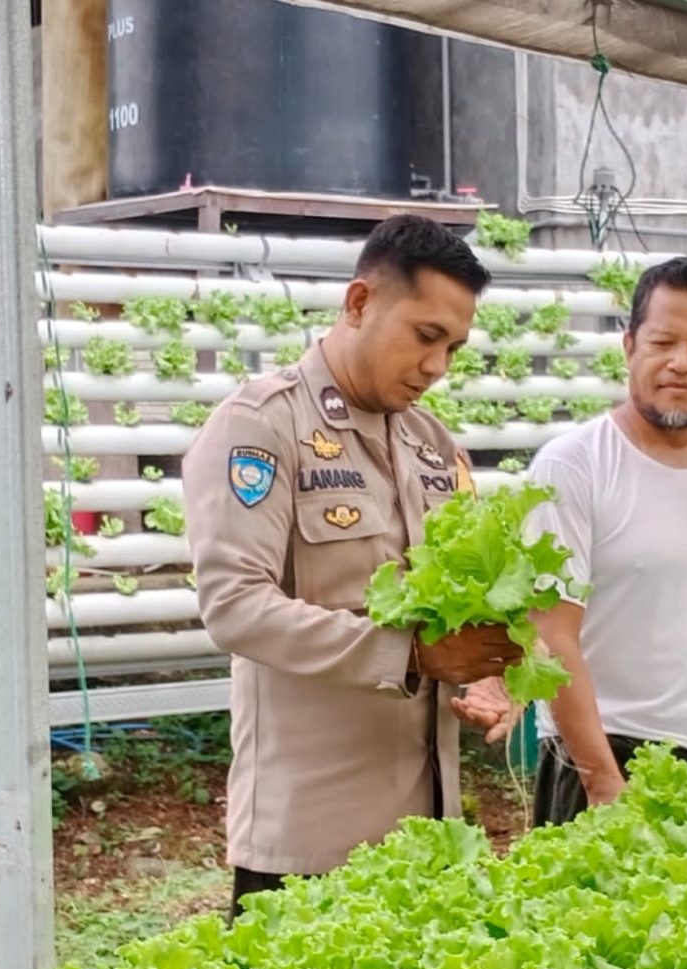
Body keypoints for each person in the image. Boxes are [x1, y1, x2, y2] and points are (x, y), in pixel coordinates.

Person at [181, 214, 522, 919]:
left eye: (454, 348)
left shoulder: (432, 443)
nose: (437, 367)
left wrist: (489, 669)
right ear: (360, 303)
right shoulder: (262, 425)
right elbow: (234, 604)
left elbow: (459, 606)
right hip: (308, 844)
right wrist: (412, 653)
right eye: (425, 336)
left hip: (426, 834)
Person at [456, 256, 687, 823]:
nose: (680, 364)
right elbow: (553, 633)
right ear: (629, 346)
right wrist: (604, 782)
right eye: (662, 343)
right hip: (607, 756)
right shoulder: (573, 465)